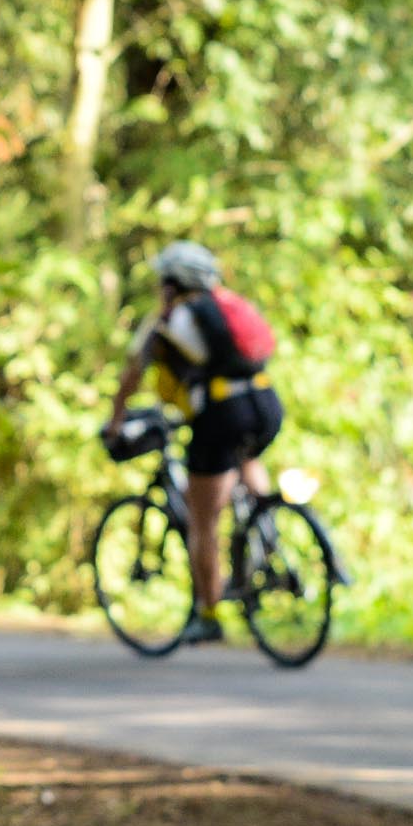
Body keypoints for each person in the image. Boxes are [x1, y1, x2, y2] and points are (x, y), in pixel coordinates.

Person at [106, 240, 284, 644]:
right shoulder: (229, 305)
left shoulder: (170, 318)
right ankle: (268, 531)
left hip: (222, 412)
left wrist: (116, 421)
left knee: (203, 519)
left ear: (172, 283)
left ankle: (208, 612)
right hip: (266, 402)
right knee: (247, 457)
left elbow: (133, 375)